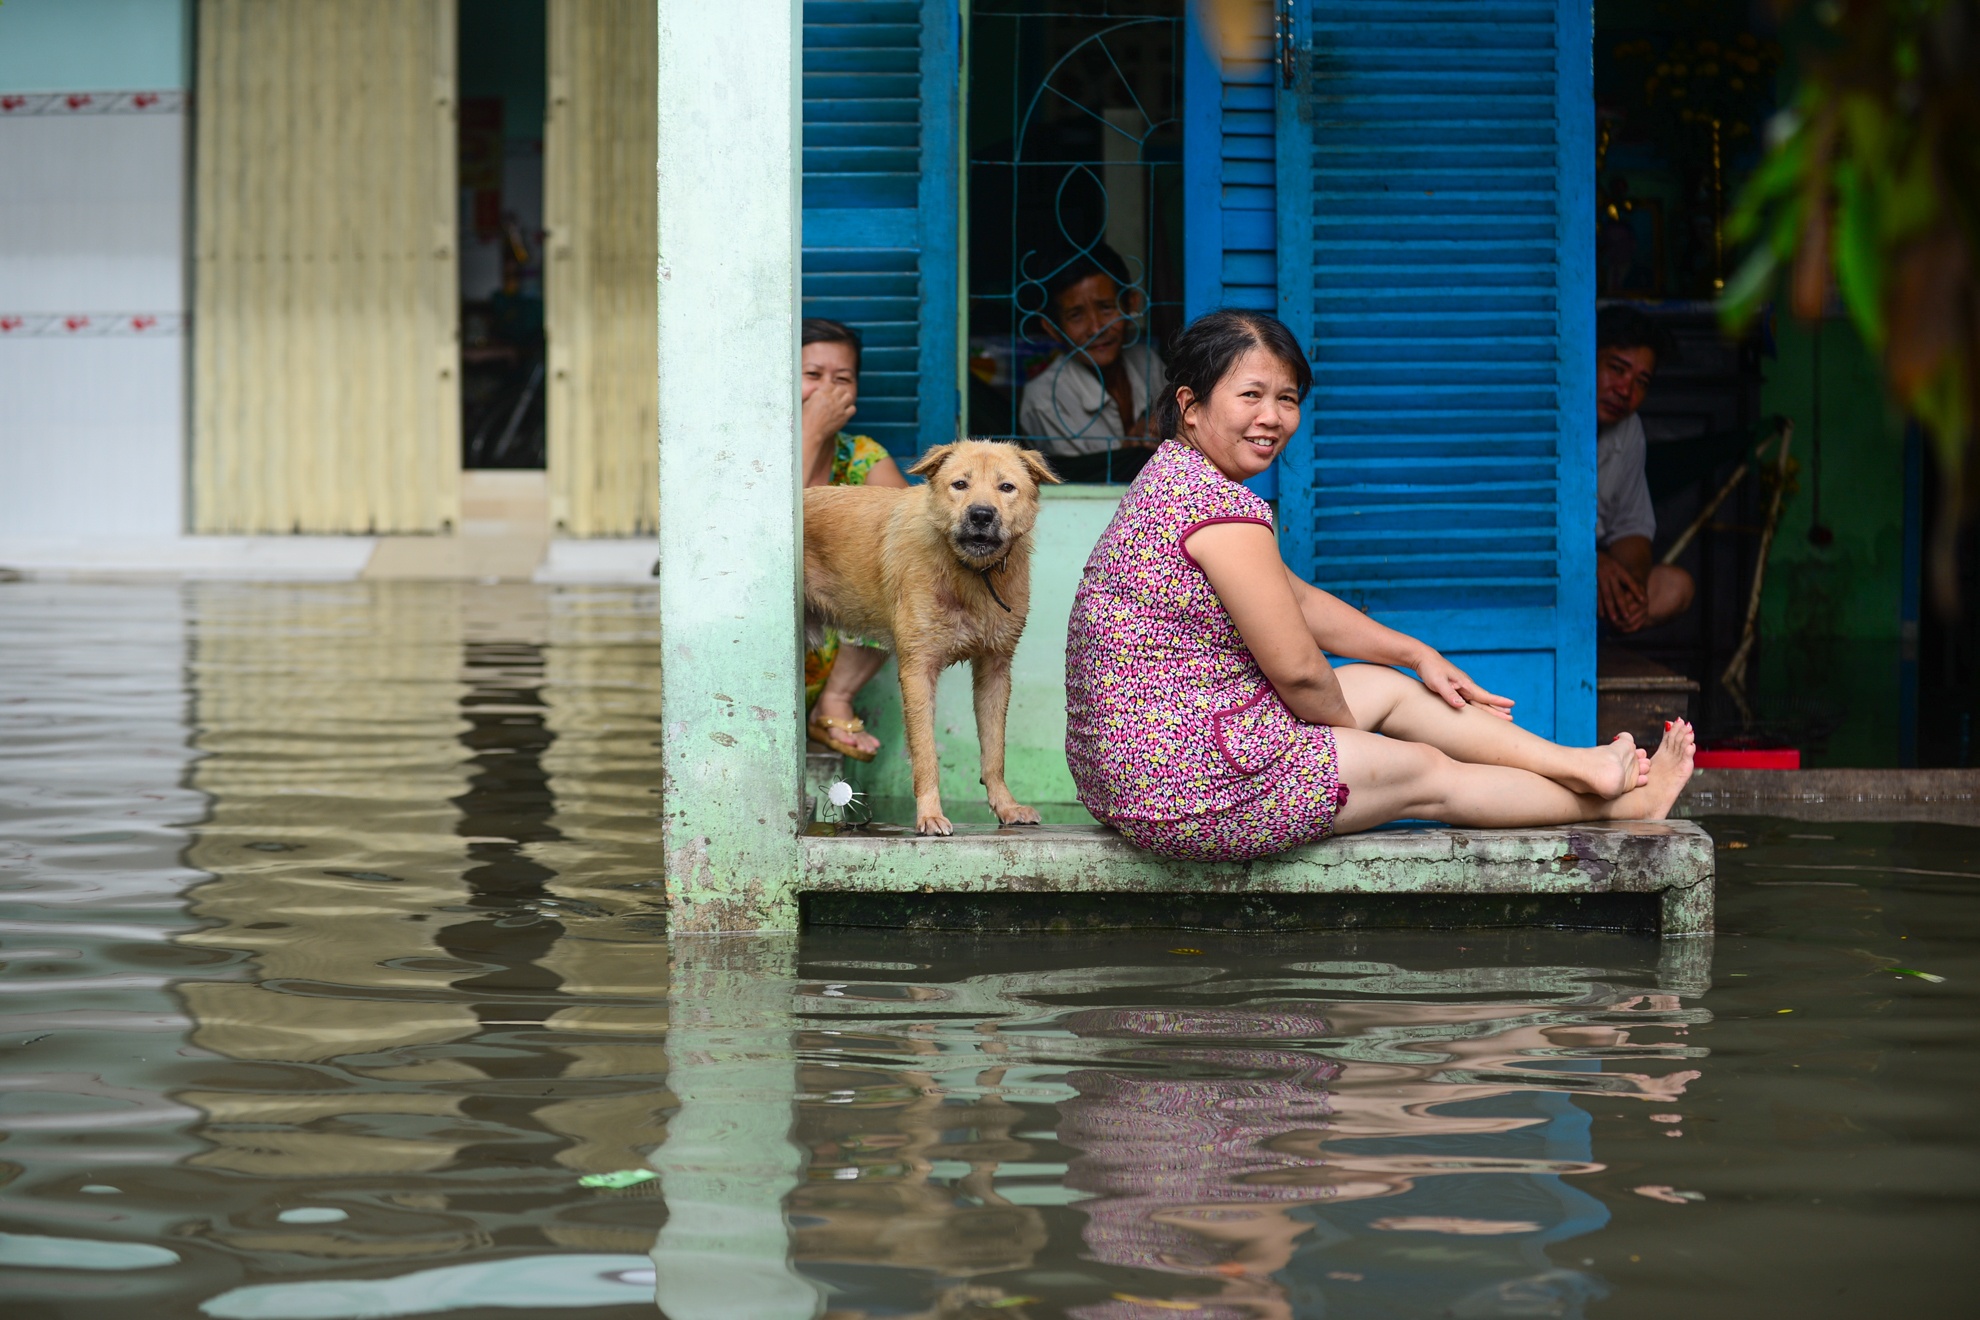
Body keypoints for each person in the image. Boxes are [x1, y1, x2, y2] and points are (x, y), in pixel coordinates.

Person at [1063, 309, 1696, 861]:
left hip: (1137, 766)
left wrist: (1416, 654)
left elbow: (1299, 601)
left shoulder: (1176, 481)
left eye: (1287, 398)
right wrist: (1354, 745)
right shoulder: (1222, 512)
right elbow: (1303, 676)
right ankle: (1623, 809)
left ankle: (1578, 765)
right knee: (1423, 771)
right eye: (1250, 395)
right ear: (1190, 406)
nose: (1273, 418)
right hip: (1182, 787)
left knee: (1392, 689)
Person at [800, 318, 907, 761]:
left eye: (842, 379)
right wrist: (810, 434)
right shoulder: (751, 451)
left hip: (834, 657)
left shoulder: (862, 457)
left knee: (905, 580)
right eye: (812, 376)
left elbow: (915, 539)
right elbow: (760, 548)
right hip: (768, 662)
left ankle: (835, 701)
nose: (827, 391)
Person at [1017, 243, 1165, 483]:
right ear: (1053, 329)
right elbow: (1083, 480)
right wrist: (1131, 453)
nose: (1096, 328)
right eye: (1076, 315)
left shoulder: (1146, 361)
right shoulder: (1045, 399)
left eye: (1106, 308)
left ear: (1131, 304)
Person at [1595, 306, 1695, 633]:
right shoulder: (1546, 412)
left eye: (1640, 381)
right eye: (1616, 369)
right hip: (1546, 577)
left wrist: (1632, 588)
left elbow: (1631, 530)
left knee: (1675, 588)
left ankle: (1597, 640)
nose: (1625, 391)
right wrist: (1587, 562)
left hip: (1591, 589)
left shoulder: (1629, 428)